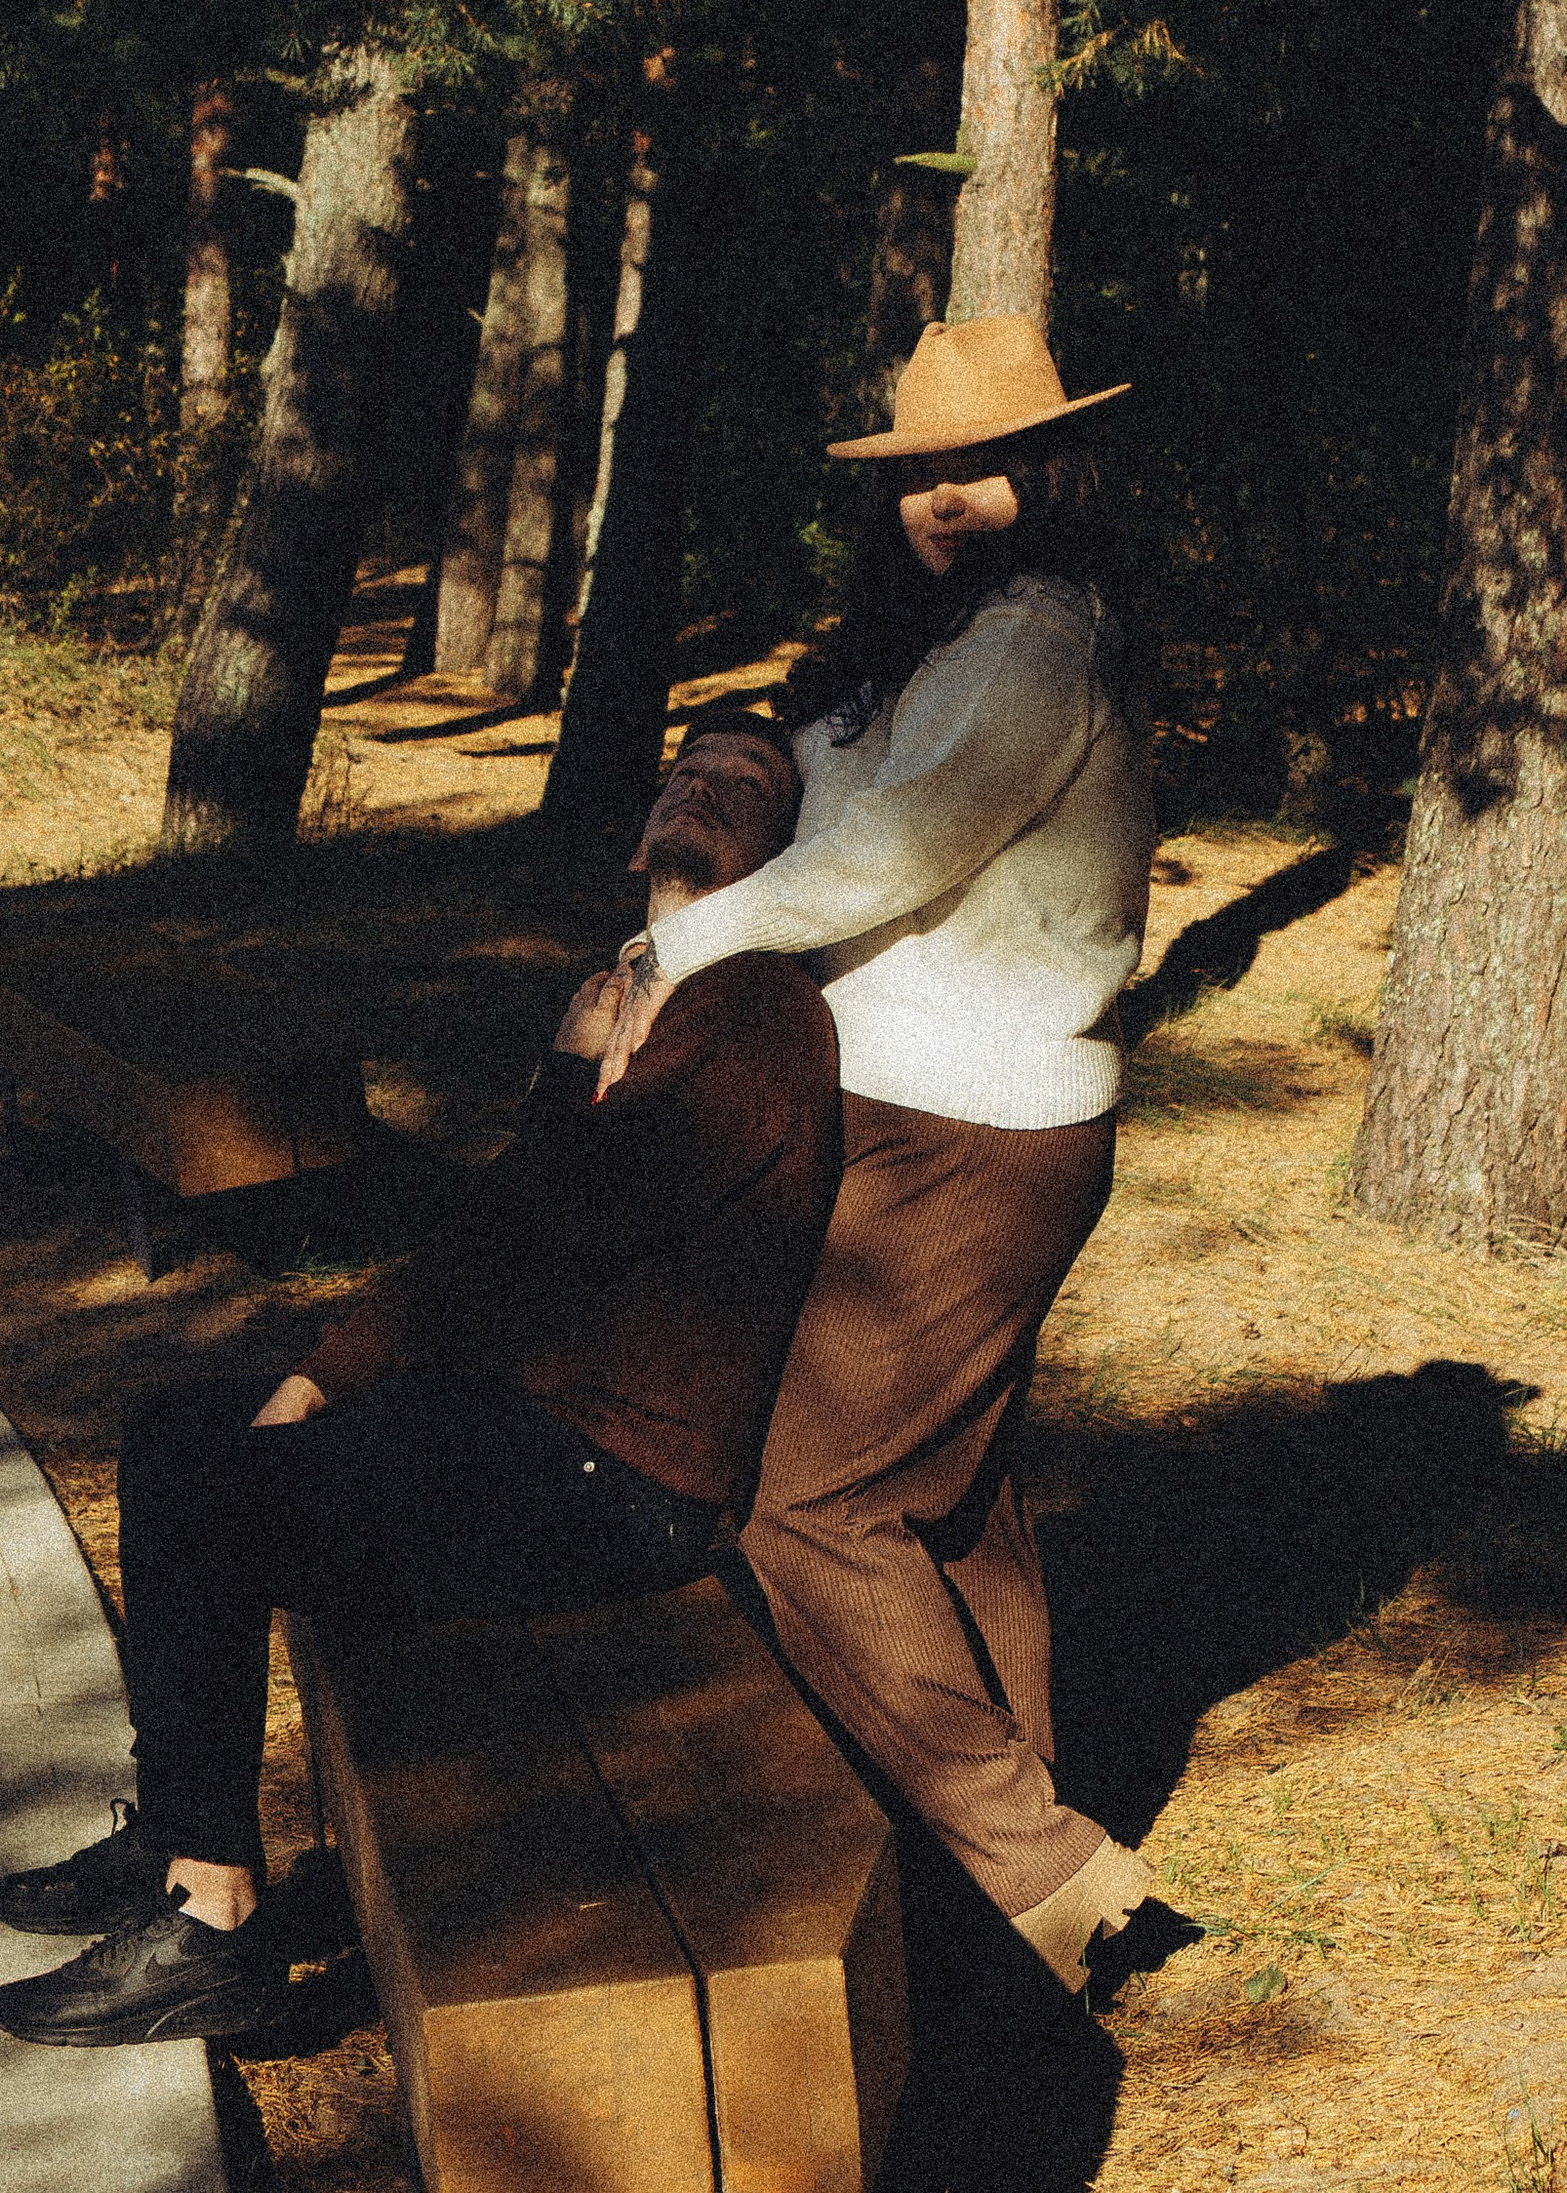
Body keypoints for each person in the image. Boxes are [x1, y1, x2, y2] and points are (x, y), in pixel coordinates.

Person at [0, 706, 833, 2052]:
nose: (707, 786)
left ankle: (212, 1923)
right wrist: (325, 1378)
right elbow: (506, 1240)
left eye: (749, 782)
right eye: (688, 766)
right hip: (529, 1429)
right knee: (176, 1431)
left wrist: (563, 1084)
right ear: (641, 824)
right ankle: (176, 1841)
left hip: (623, 1485)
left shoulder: (762, 1014)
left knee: (216, 1496)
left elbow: (570, 1221)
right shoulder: (645, 989)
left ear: (789, 850)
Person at [596, 311, 1157, 1992]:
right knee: (948, 1498)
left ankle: (1047, 1877)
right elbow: (839, 798)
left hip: (978, 1127)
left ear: (1046, 476)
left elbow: (894, 852)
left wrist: (670, 958)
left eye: (977, 470)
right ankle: (996, 1875)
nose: (943, 500)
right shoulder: (946, 646)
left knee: (807, 1500)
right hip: (924, 1108)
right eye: (918, 475)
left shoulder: (1039, 639)